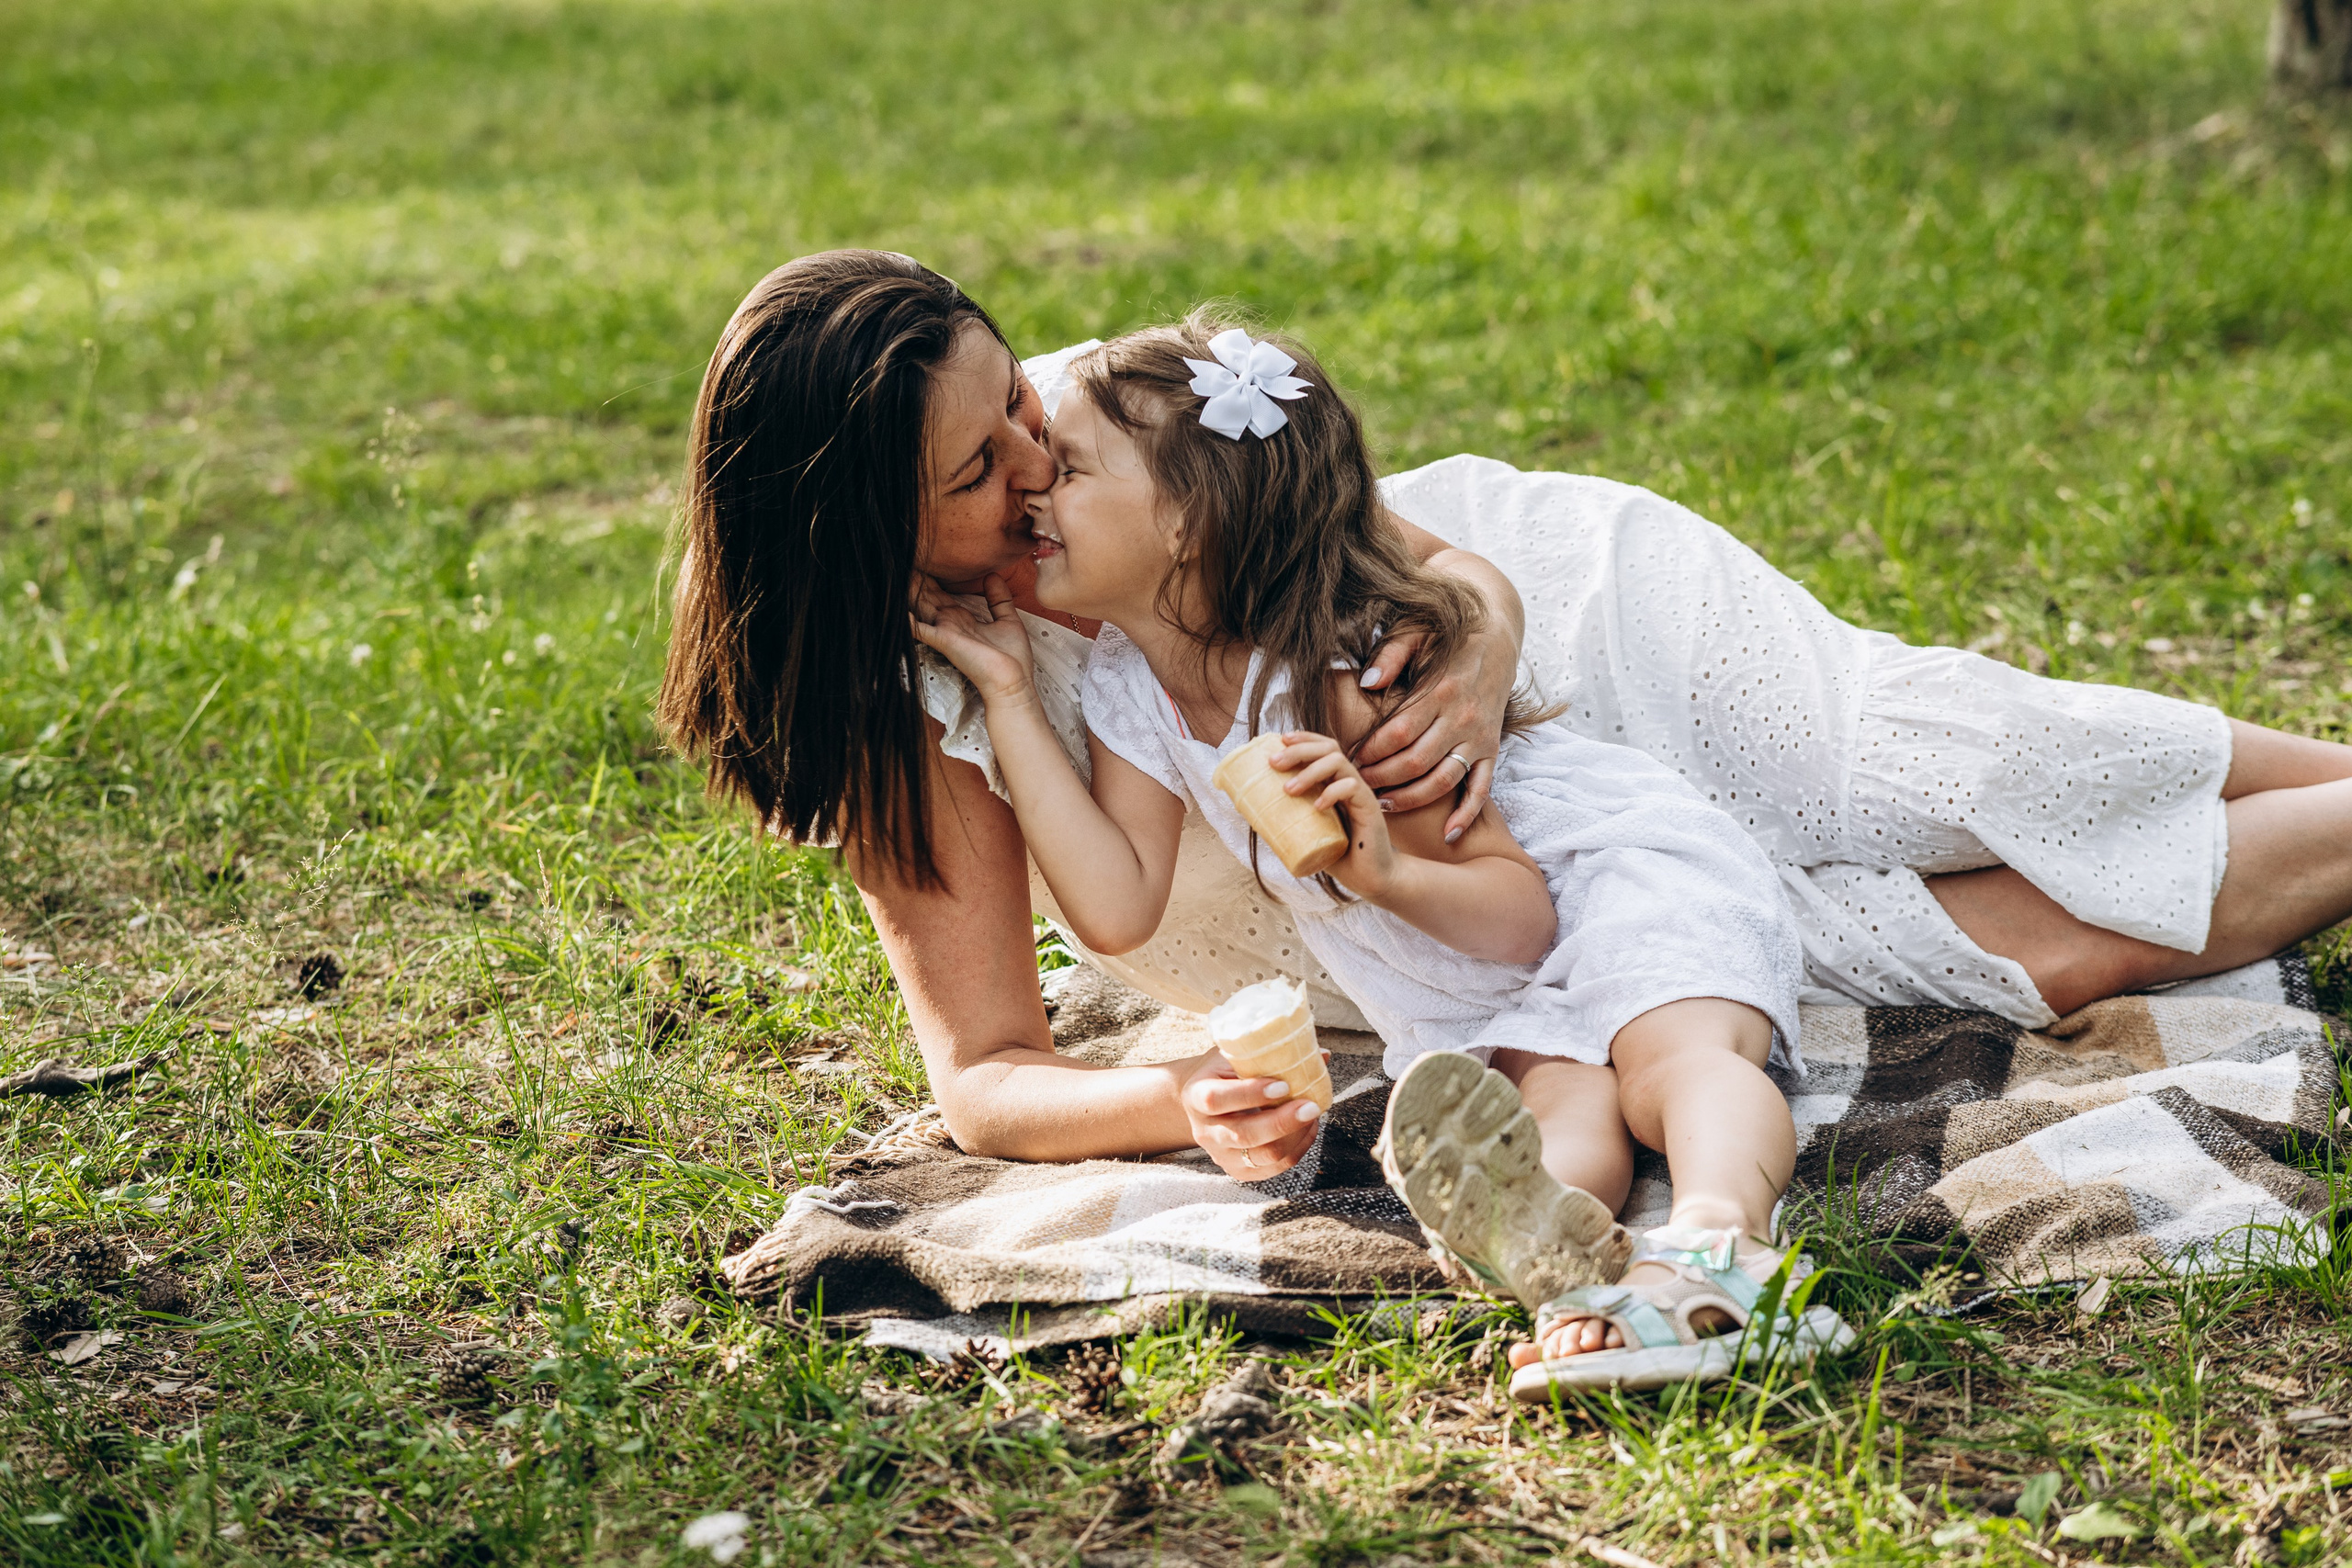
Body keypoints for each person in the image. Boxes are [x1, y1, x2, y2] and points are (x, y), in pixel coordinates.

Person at [659, 250, 2352, 1368]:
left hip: (1538, 662)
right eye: (979, 472)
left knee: (1950, 767)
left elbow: (1346, 517)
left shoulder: (1101, 440)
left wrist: (1472, 649)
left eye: (1024, 410)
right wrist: (1195, 1101)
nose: (1032, 464)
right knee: (1970, 951)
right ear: (864, 536)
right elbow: (987, 1077)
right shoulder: (936, 713)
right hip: (1434, 909)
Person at [908, 312, 1854, 1391]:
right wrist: (1011, 694)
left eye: (1067, 470)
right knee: (1543, 1120)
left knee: (1664, 1064)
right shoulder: (1131, 684)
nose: (1034, 490)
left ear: (1184, 522)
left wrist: (1381, 873)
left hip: (1603, 878)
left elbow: (1522, 913)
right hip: (1465, 973)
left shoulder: (1335, 669)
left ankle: (1725, 1245)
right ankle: (1578, 1269)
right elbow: (1114, 905)